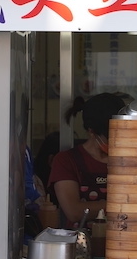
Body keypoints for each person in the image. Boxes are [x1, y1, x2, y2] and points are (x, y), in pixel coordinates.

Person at [47, 92, 126, 227]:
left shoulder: (129, 160)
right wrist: (124, 205)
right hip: (80, 244)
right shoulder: (66, 161)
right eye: (109, 137)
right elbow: (74, 211)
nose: (116, 141)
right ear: (91, 131)